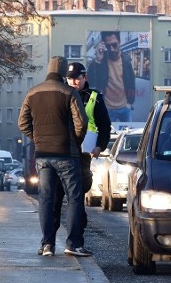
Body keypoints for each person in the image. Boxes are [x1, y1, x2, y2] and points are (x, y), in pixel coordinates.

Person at [18, 56, 91, 258]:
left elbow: (22, 123)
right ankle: (73, 244)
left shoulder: (32, 93)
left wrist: (39, 138)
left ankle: (47, 244)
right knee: (74, 198)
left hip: (42, 155)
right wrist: (74, 141)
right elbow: (81, 122)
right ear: (62, 72)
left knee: (46, 199)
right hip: (66, 154)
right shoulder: (69, 92)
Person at [52, 61, 111, 233]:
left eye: (76, 79)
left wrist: (100, 146)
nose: (72, 83)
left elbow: (104, 126)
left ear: (85, 77)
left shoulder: (94, 97)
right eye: (69, 79)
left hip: (83, 154)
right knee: (56, 198)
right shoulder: (62, 94)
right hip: (62, 151)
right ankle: (50, 238)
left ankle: (77, 236)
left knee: (77, 196)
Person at [87, 31, 136, 122]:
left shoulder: (126, 61)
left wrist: (129, 103)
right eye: (108, 46)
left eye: (114, 45)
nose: (112, 49)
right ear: (104, 45)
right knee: (106, 135)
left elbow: (131, 82)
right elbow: (91, 82)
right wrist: (98, 61)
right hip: (107, 108)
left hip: (125, 108)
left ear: (120, 42)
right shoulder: (101, 61)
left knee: (128, 135)